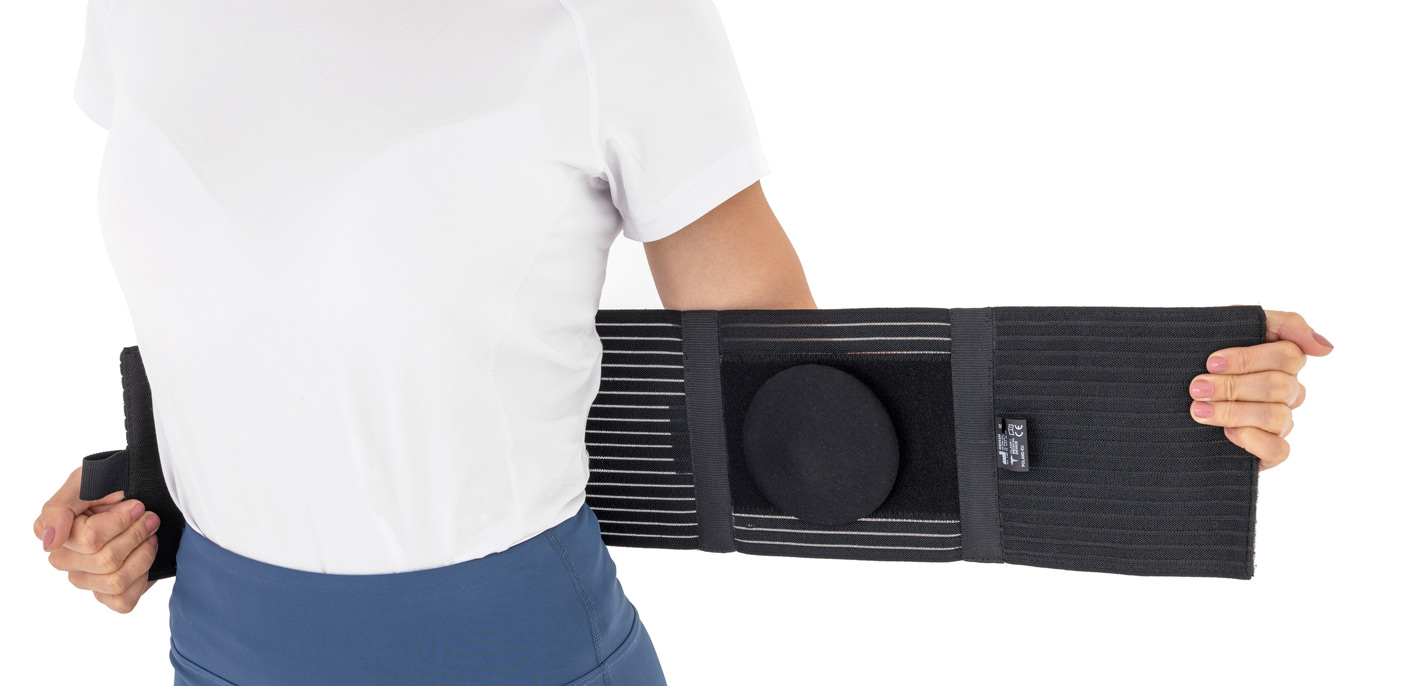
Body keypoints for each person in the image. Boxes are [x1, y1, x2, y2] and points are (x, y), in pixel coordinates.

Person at [33, 0, 1332, 684]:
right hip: (224, 650)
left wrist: (1158, 414)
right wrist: (140, 500)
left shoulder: (608, 15)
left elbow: (810, 412)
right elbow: (257, 289)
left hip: (511, 659)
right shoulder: (138, 9)